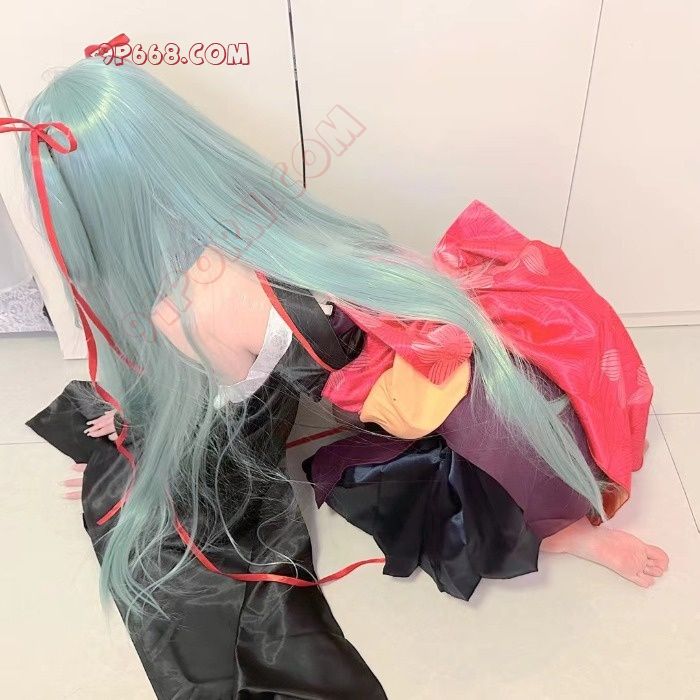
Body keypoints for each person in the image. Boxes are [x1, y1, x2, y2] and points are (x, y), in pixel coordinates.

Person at [7, 55, 667, 697]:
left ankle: (567, 532)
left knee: (503, 511)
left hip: (474, 417)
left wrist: (135, 457)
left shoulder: (190, 310)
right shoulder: (247, 206)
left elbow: (218, 416)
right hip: (480, 346)